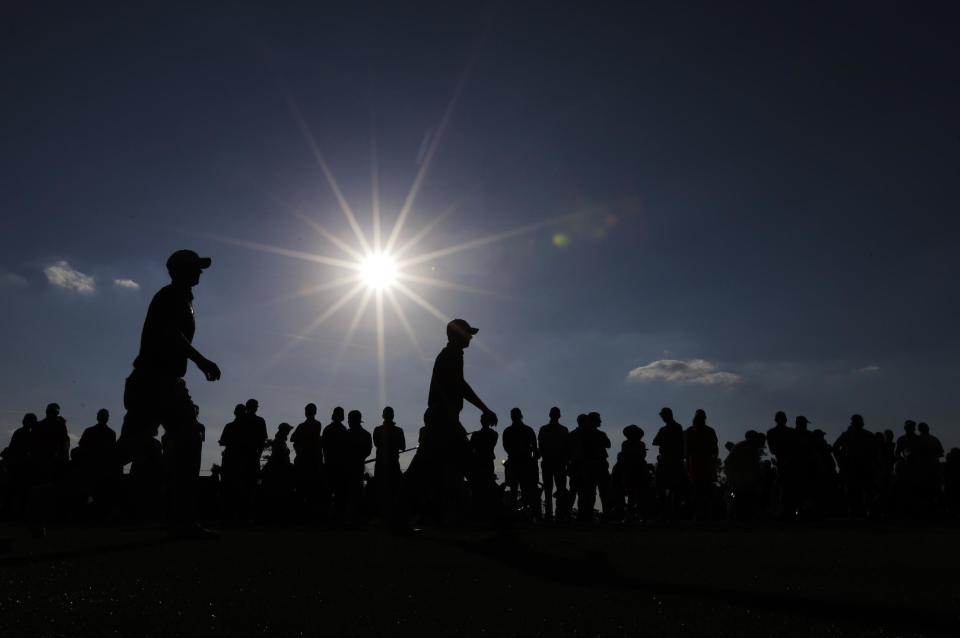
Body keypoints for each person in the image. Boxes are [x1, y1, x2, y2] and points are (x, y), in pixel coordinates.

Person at [119, 249, 221, 538]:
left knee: (175, 439)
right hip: (156, 380)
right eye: (195, 268)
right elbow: (170, 334)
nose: (200, 272)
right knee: (146, 445)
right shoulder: (171, 296)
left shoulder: (183, 298)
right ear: (179, 270)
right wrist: (202, 361)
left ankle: (183, 518)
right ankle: (47, 493)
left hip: (162, 381)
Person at [421, 318, 496, 520]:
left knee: (423, 469)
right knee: (470, 465)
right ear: (457, 335)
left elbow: (458, 385)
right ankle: (491, 512)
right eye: (468, 333)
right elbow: (459, 386)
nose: (471, 337)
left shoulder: (452, 354)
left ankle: (398, 515)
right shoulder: (451, 355)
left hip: (442, 417)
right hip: (444, 418)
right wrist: (484, 409)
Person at [74, 408, 120, 517]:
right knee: (97, 491)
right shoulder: (110, 433)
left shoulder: (92, 431)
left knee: (94, 491)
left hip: (95, 467)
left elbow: (82, 447)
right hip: (97, 467)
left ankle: (92, 513)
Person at [832, 414, 879, 516]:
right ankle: (856, 512)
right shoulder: (851, 434)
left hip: (862, 466)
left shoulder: (866, 435)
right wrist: (841, 461)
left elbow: (875, 451)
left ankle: (862, 512)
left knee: (863, 491)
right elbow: (835, 448)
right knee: (854, 491)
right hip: (853, 466)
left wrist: (841, 461)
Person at [502, 408, 540, 517]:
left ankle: (524, 513)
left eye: (515, 415)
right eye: (513, 415)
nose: (514, 416)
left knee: (524, 489)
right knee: (514, 488)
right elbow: (506, 446)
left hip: (524, 463)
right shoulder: (511, 431)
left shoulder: (526, 430)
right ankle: (514, 513)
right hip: (517, 463)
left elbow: (534, 447)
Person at [291, 403, 325, 521]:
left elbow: (293, 438)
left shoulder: (305, 426)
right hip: (310, 461)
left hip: (307, 461)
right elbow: (294, 438)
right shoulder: (315, 424)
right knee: (310, 490)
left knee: (304, 489)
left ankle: (303, 516)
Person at [0, 413, 37, 519]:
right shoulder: (26, 434)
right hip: (20, 465)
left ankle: (10, 510)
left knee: (13, 489)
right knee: (18, 490)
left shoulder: (20, 432)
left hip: (17, 464)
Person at [372, 407, 406, 520]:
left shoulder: (377, 430)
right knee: (393, 490)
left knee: (382, 490)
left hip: (382, 464)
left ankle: (383, 515)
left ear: (383, 416)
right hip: (392, 464)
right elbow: (403, 447)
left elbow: (377, 443)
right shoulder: (398, 430)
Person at [685, 409, 719, 520]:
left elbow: (715, 449)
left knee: (704, 489)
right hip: (696, 463)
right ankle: (700, 513)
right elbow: (686, 450)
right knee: (699, 489)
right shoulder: (691, 431)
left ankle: (705, 513)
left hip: (703, 463)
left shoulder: (706, 431)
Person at [652, 407, 686, 517]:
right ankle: (666, 512)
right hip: (668, 459)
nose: (662, 418)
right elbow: (655, 442)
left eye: (663, 415)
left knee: (673, 487)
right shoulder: (666, 429)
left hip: (673, 459)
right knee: (662, 486)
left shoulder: (674, 427)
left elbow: (680, 442)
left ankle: (672, 513)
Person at [538, 407, 570, 521]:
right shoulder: (547, 429)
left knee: (559, 489)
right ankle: (550, 514)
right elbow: (541, 446)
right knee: (550, 489)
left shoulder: (562, 430)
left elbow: (567, 447)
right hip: (550, 462)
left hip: (557, 463)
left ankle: (557, 513)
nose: (556, 415)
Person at [468, 411, 499, 520]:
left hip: (480, 463)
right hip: (485, 462)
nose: (481, 420)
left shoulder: (478, 434)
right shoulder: (493, 434)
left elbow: (470, 449)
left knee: (479, 487)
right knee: (483, 486)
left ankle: (480, 514)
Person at [344, 410, 372, 524]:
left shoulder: (346, 434)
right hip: (358, 465)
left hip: (348, 466)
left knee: (348, 491)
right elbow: (368, 451)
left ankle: (350, 518)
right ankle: (356, 517)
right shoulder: (366, 434)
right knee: (357, 492)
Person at [322, 407, 349, 520]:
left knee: (330, 493)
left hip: (331, 465)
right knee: (338, 493)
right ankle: (337, 517)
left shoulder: (328, 429)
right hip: (338, 466)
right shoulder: (343, 430)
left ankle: (328, 516)